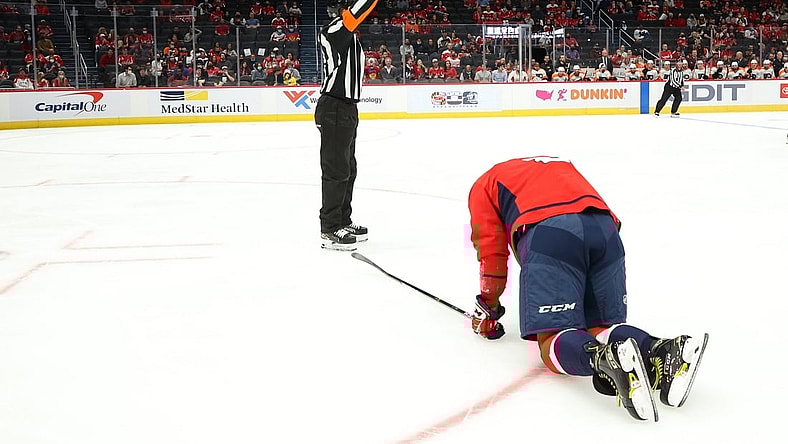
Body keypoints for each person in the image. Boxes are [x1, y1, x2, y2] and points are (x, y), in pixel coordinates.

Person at [468, 156, 708, 421]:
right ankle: (661, 349)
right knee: (601, 327)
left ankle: (603, 360)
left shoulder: (483, 185)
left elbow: (491, 252)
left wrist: (488, 305)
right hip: (605, 231)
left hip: (550, 234)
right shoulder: (558, 164)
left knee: (552, 341)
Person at [315, 0, 377, 251]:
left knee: (348, 168)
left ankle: (343, 220)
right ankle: (329, 228)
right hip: (334, 107)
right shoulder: (335, 30)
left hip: (347, 108)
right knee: (336, 169)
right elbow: (360, 10)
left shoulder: (348, 35)